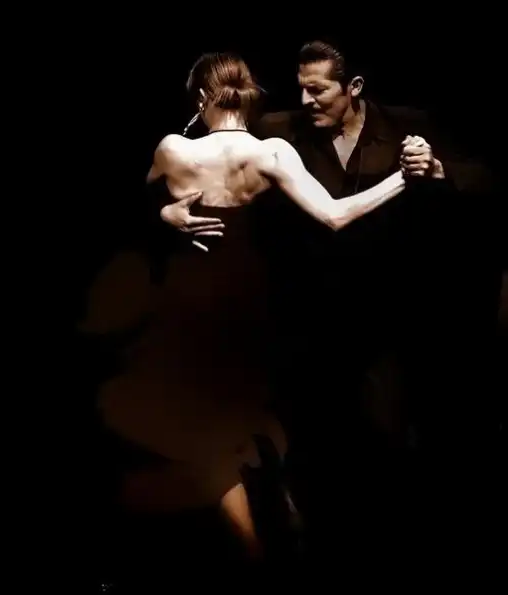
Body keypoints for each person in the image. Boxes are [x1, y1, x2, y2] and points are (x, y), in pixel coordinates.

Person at [95, 51, 417, 565]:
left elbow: (128, 211)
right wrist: (404, 178)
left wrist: (164, 214)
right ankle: (279, 525)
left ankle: (258, 545)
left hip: (188, 302)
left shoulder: (173, 148)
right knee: (238, 417)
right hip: (248, 302)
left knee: (203, 425)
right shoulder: (272, 153)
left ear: (202, 97)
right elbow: (335, 216)